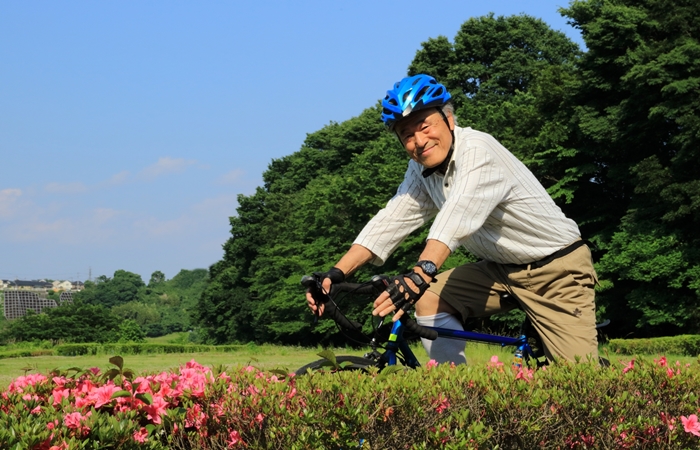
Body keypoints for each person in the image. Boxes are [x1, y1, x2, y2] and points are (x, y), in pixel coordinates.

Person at [306, 74, 599, 365]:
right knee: (428, 298)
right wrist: (335, 274)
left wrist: (419, 275)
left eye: (424, 127)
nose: (419, 141)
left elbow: (456, 216)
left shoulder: (478, 151)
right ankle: (454, 389)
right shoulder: (419, 169)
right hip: (499, 270)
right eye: (407, 135)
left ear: (449, 120)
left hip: (555, 270)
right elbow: (391, 219)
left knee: (581, 383)